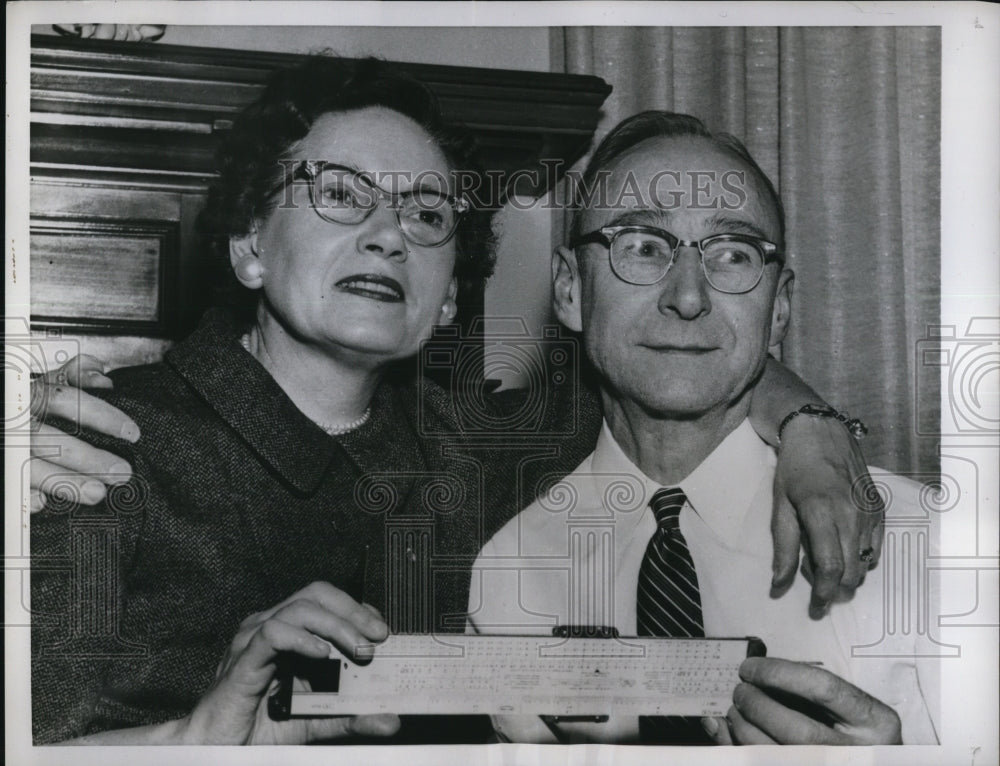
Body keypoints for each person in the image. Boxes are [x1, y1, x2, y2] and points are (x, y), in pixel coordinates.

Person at [29, 57, 881, 746]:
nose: (387, 232)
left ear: (445, 298)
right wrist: (192, 741)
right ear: (251, 243)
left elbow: (673, 352)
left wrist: (809, 423)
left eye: (426, 212)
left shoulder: (485, 451)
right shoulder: (90, 445)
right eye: (339, 193)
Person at [467, 111, 937, 745]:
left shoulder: (923, 545)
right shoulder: (506, 570)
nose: (687, 296)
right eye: (640, 246)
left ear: (780, 310)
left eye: (734, 254)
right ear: (570, 289)